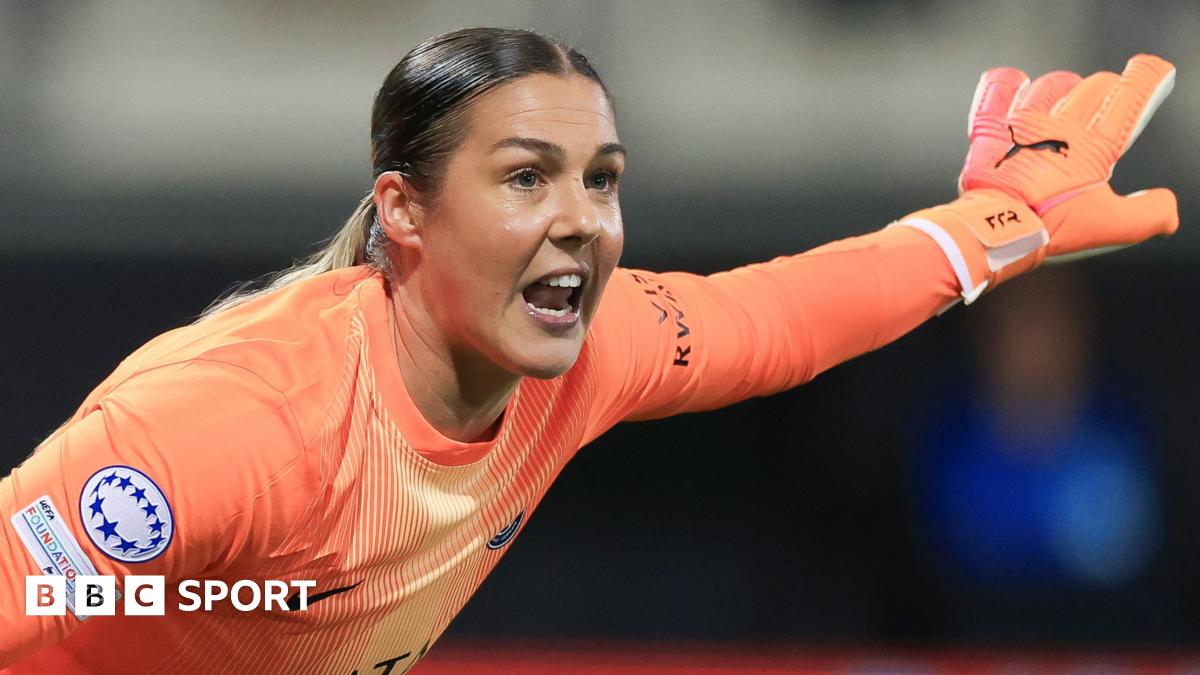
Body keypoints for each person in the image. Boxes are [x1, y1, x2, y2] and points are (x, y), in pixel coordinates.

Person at [0, 27, 1178, 674]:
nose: (582, 219)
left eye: (602, 180)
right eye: (527, 178)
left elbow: (784, 316)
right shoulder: (243, 426)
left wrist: (998, 225)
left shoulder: (587, 353)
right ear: (404, 212)